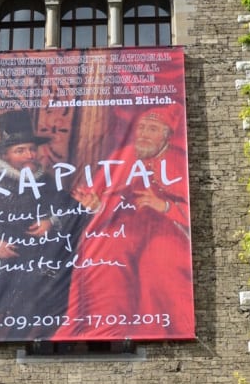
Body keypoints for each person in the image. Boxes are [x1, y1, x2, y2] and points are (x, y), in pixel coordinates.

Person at [59, 105, 193, 341]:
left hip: (164, 227)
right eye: (141, 127)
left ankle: (155, 332)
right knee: (100, 252)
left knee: (158, 262)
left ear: (166, 135)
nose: (143, 133)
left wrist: (164, 206)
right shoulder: (126, 155)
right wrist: (95, 204)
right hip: (123, 225)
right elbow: (101, 195)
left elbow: (189, 208)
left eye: (152, 129)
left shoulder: (177, 159)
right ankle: (102, 329)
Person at [0, 109, 87, 341]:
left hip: (38, 269)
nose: (29, 155)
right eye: (20, 151)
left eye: (31, 149)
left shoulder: (44, 181)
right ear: (5, 155)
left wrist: (52, 221)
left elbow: (76, 210)